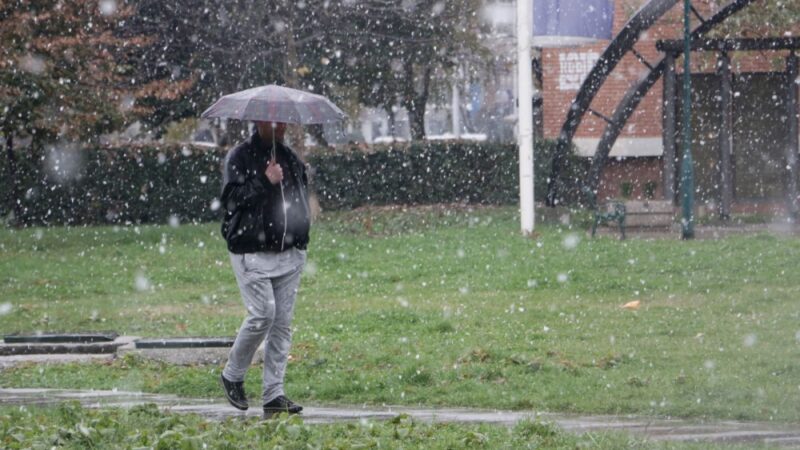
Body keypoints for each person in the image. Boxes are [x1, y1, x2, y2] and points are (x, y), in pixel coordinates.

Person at [218, 121, 311, 416]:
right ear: (259, 123)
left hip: (290, 253)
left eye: (284, 121)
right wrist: (264, 179)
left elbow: (300, 199)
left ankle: (274, 393)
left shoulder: (291, 157)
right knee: (262, 314)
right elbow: (231, 200)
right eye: (274, 122)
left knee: (282, 323)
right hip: (251, 251)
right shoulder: (239, 157)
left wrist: (302, 235)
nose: (281, 127)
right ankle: (232, 374)